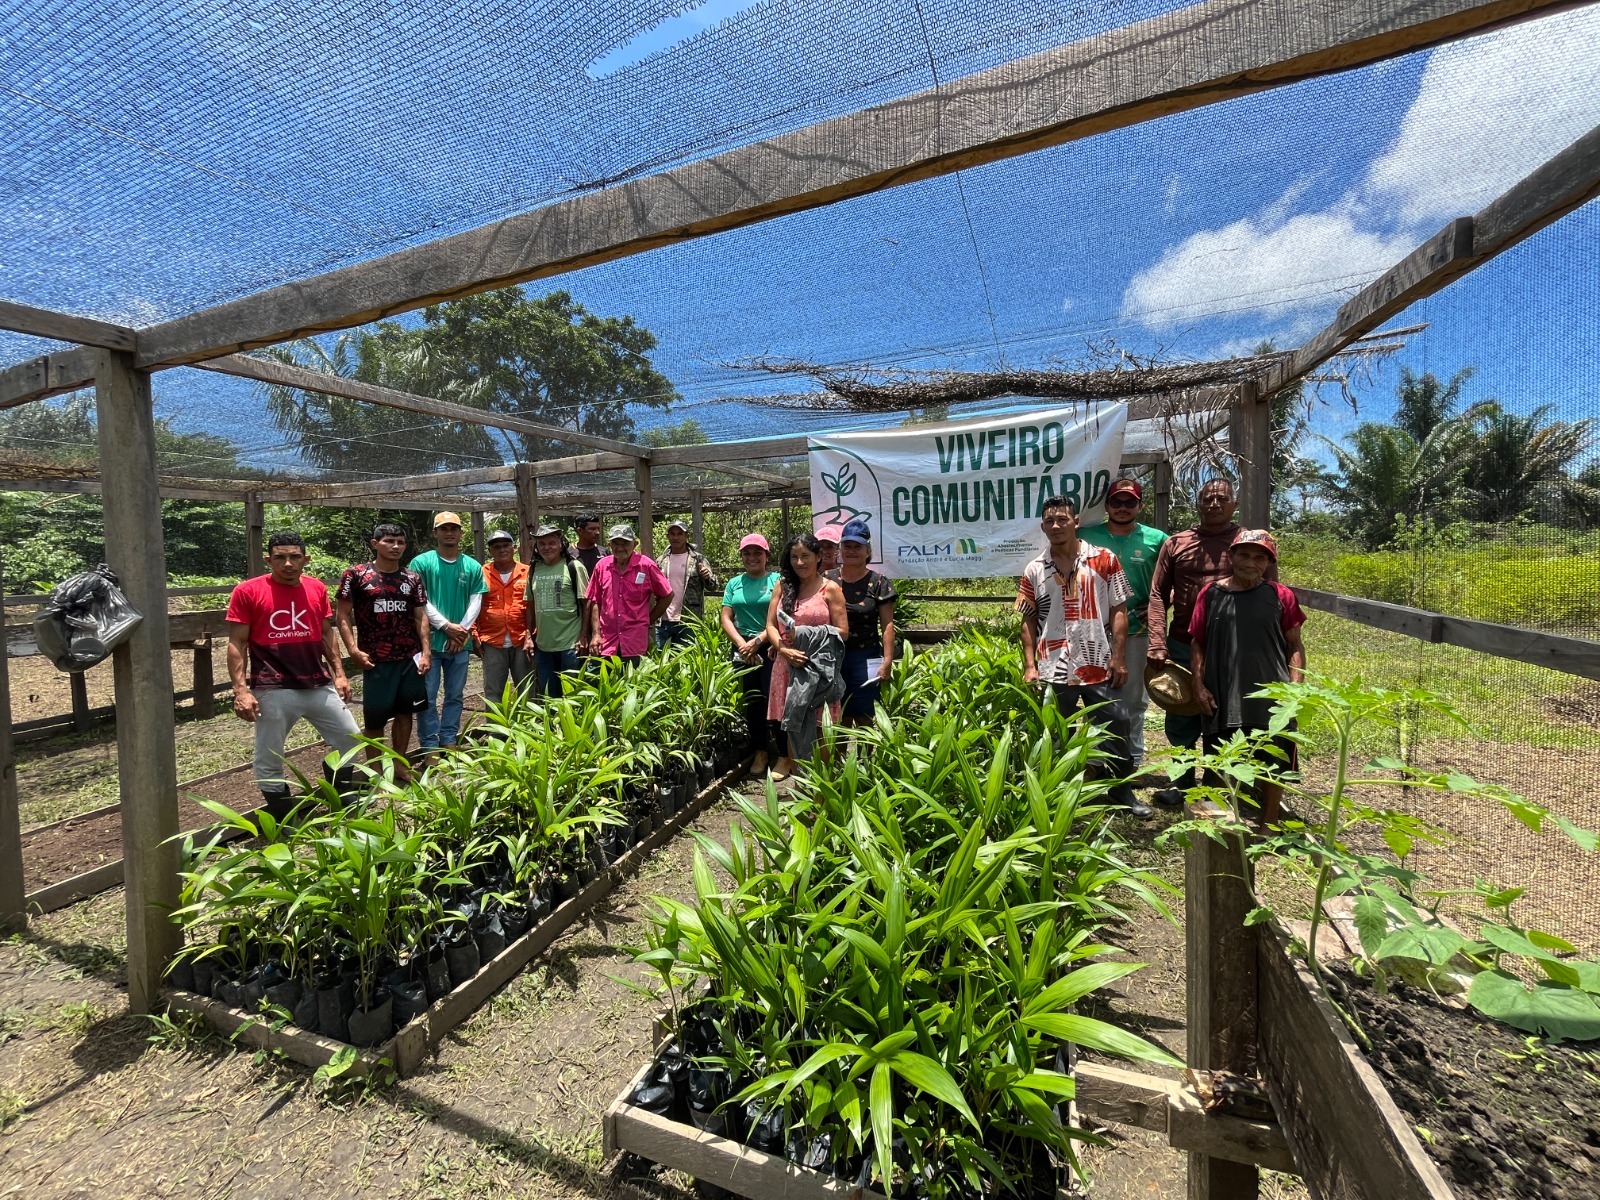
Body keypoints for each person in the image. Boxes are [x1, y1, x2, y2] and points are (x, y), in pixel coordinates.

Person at [1146, 479, 1276, 807]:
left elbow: (1270, 592)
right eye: (1207, 498)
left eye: (1221, 499)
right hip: (1182, 643)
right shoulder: (1177, 543)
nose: (1214, 504)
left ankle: (1226, 783)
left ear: (1234, 504)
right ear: (1197, 504)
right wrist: (1157, 640)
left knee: (1232, 714)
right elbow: (1159, 593)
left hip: (1237, 647)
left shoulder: (1248, 542)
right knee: (1182, 714)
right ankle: (1181, 783)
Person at [1016, 496, 1147, 817]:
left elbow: (1119, 609)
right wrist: (1030, 666)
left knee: (1117, 723)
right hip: (1052, 666)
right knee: (1053, 732)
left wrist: (1119, 657)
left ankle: (1122, 793)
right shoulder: (1034, 569)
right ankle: (1053, 794)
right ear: (1042, 526)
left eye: (1063, 519)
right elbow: (1027, 620)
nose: (1056, 525)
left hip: (1098, 662)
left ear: (1076, 522)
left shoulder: (1104, 559)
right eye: (1050, 521)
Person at [225, 531, 360, 816]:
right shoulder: (248, 591)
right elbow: (237, 642)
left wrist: (339, 673)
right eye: (280, 557)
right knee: (269, 756)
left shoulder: (316, 588)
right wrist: (241, 690)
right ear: (268, 559)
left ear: (305, 559)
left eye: (294, 556)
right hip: (273, 686)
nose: (287, 563)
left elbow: (326, 632)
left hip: (317, 682)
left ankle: (338, 793)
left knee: (350, 737)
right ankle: (283, 818)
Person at [1189, 530, 1306, 824]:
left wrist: (1295, 688)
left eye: (1259, 557)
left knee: (1274, 761)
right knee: (1218, 759)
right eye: (1244, 555)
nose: (1250, 563)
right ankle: (1217, 823)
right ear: (1231, 556)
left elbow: (1294, 644)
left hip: (1271, 694)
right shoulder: (1211, 594)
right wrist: (1198, 684)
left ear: (1268, 563)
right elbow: (1198, 642)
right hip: (1224, 691)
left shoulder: (1280, 596)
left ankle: (1269, 822)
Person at [1080, 478, 1169, 781]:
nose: (1122, 508)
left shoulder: (1157, 539)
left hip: (1136, 630)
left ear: (1140, 505)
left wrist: (1161, 604)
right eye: (1116, 502)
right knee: (1094, 699)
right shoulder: (1085, 536)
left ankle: (1130, 763)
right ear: (1106, 505)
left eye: (1129, 502)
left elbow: (1171, 580)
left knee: (1133, 700)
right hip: (1091, 631)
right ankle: (1095, 763)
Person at [334, 523, 432, 778]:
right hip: (376, 659)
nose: (395, 546)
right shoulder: (355, 576)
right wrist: (353, 649)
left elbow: (420, 615)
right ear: (375, 544)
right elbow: (342, 614)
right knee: (375, 718)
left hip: (408, 657)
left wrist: (426, 652)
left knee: (405, 712)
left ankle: (400, 764)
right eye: (389, 541)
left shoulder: (411, 578)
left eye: (400, 542)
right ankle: (375, 770)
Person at [765, 533, 848, 779]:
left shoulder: (830, 589)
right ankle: (802, 788)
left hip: (818, 670)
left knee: (820, 731)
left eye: (805, 556)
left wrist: (803, 634)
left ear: (819, 557)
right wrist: (783, 649)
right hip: (786, 666)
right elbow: (770, 625)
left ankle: (822, 793)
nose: (800, 563)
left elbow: (843, 632)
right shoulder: (783, 585)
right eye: (794, 557)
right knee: (793, 727)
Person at [409, 512, 488, 752]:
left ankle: (449, 738)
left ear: (461, 533)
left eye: (454, 528)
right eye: (444, 529)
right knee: (428, 697)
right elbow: (419, 600)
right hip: (429, 643)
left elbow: (476, 600)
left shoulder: (472, 566)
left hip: (459, 644)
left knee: (455, 695)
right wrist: (446, 626)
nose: (449, 533)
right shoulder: (421, 563)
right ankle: (430, 744)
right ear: (435, 533)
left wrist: (461, 631)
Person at [720, 533, 785, 775]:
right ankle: (760, 750)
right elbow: (726, 617)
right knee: (753, 700)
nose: (752, 557)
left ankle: (783, 754)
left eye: (758, 552)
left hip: (771, 647)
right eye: (747, 553)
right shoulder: (734, 583)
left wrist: (757, 641)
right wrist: (741, 644)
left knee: (775, 699)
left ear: (767, 555)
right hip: (743, 647)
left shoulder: (778, 581)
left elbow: (782, 617)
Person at [827, 518, 896, 725]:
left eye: (858, 547)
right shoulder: (826, 579)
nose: (851, 551)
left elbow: (887, 625)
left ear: (868, 551)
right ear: (840, 549)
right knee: (839, 714)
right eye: (847, 546)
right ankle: (840, 758)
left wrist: (887, 660)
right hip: (832, 656)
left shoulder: (879, 583)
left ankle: (865, 758)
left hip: (866, 656)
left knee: (865, 714)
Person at [582, 524, 672, 665]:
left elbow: (667, 594)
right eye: (615, 543)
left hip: (634, 642)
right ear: (609, 544)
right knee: (599, 683)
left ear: (635, 544)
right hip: (606, 642)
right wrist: (595, 634)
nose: (620, 548)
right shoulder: (602, 566)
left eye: (625, 543)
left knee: (633, 684)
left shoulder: (646, 566)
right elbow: (595, 601)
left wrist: (649, 619)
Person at [527, 523, 590, 696]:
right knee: (549, 695)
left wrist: (584, 636)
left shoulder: (573, 566)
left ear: (561, 543)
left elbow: (587, 603)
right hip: (544, 645)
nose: (547, 547)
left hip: (570, 644)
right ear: (537, 547)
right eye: (542, 544)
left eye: (551, 543)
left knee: (573, 695)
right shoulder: (534, 569)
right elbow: (530, 604)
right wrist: (528, 636)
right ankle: (554, 724)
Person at [474, 529, 533, 702]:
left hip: (522, 640)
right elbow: (472, 604)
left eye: (506, 545)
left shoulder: (528, 572)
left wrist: (531, 634)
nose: (502, 550)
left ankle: (530, 726)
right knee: (493, 691)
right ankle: (495, 729)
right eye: (496, 547)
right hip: (491, 641)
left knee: (527, 688)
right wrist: (474, 635)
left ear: (514, 547)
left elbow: (533, 606)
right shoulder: (481, 573)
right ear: (490, 551)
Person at [656, 518, 718, 650]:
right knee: (662, 662)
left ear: (686, 536)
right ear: (668, 536)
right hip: (663, 620)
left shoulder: (697, 559)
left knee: (687, 663)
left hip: (689, 620)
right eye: (672, 534)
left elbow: (714, 586)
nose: (676, 537)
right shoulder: (661, 561)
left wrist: (706, 578)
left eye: (679, 534)